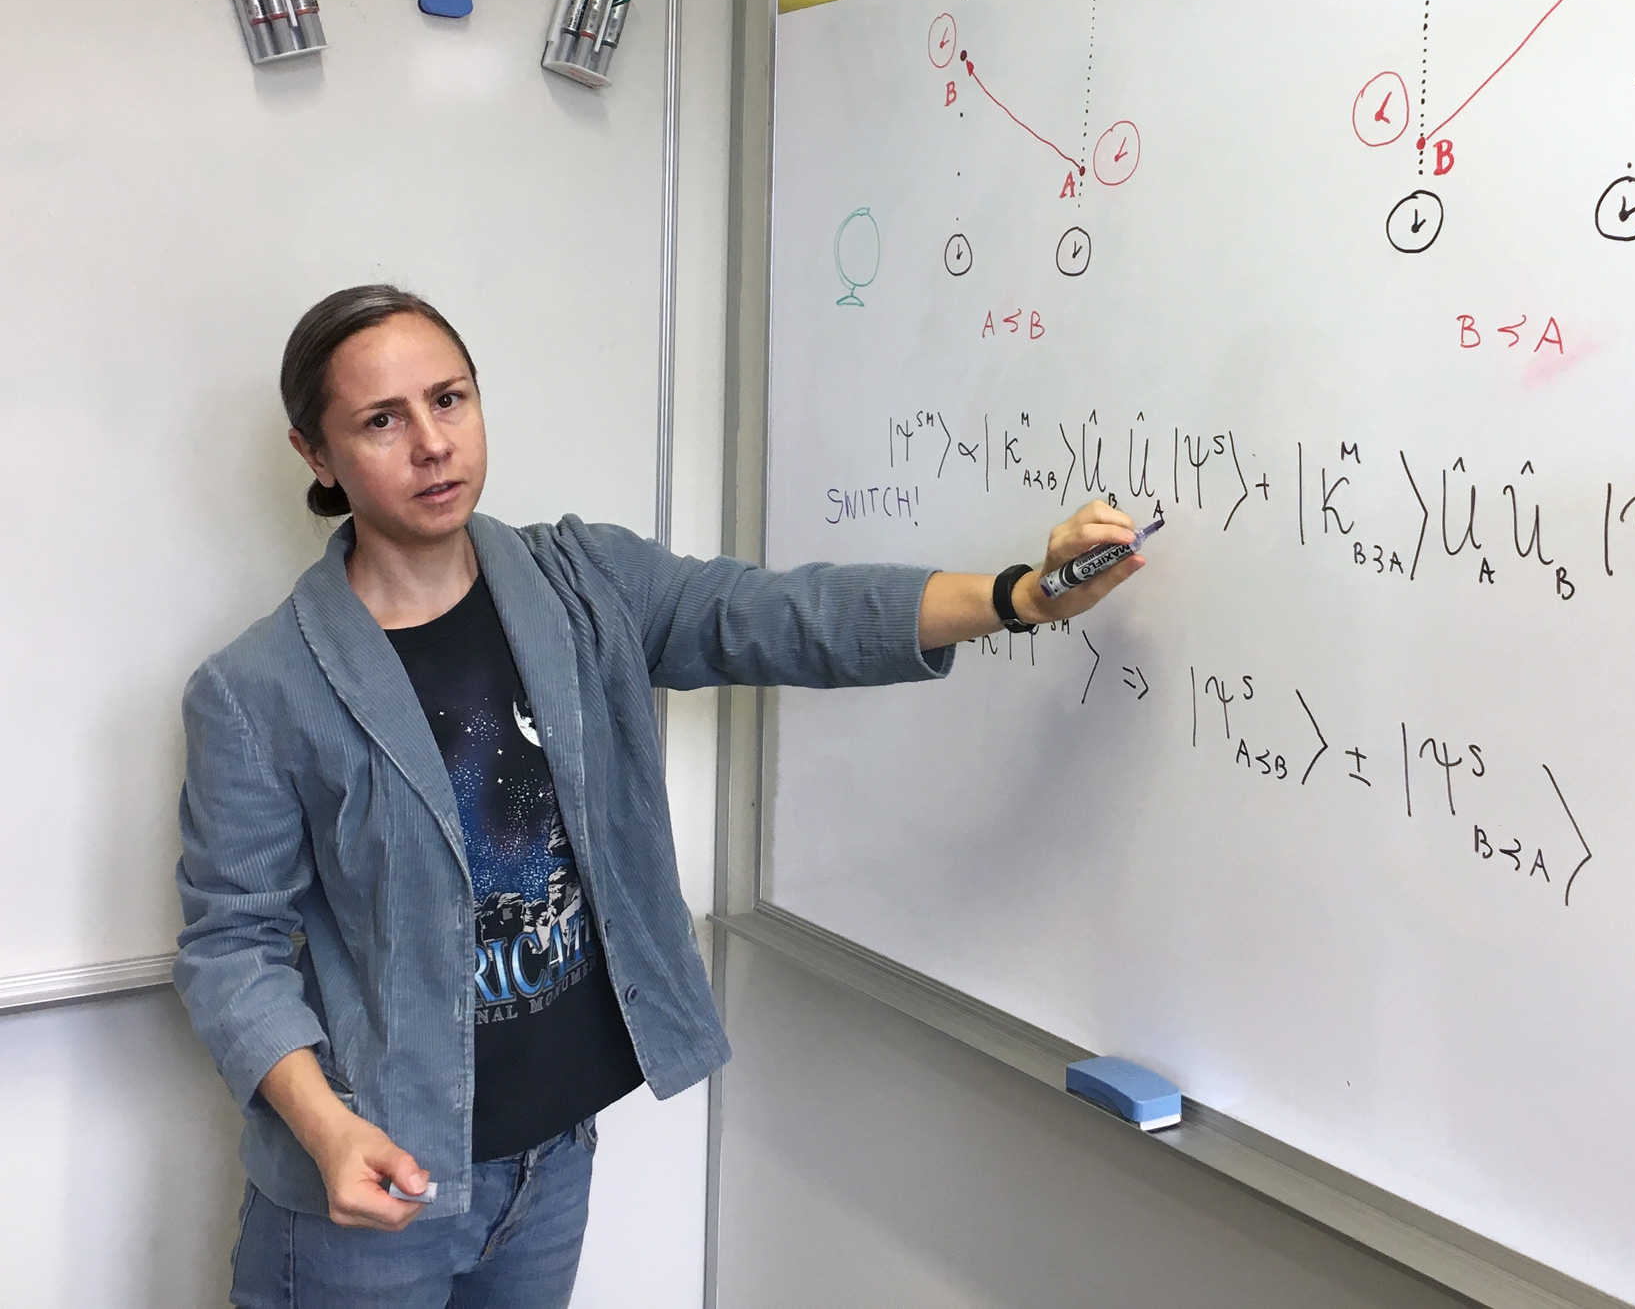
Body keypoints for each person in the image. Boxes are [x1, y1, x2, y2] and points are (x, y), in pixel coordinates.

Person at [173, 285, 1143, 1306]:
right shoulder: (257, 689)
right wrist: (327, 1129)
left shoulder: (581, 581)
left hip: (550, 1165)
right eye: (382, 420)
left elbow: (779, 614)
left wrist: (1019, 597)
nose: (431, 443)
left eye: (449, 399)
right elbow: (229, 947)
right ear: (317, 455)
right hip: (366, 1197)